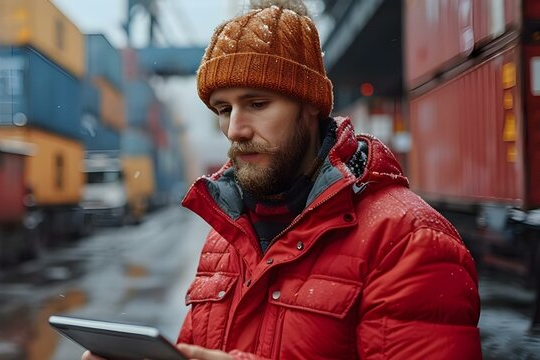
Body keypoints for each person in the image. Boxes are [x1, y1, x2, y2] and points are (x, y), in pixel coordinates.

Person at [84, 0, 482, 359]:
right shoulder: (222, 241)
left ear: (311, 104)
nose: (234, 129)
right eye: (223, 109)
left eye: (257, 103)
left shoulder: (407, 241)